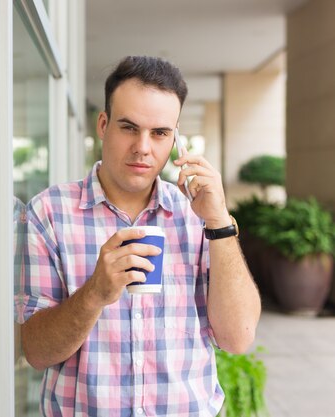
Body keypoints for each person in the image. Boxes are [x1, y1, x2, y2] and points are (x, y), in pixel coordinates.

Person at [18, 56, 261, 416]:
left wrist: (219, 221)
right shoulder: (48, 213)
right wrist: (95, 294)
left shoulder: (196, 215)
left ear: (175, 140)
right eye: (129, 127)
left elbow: (238, 336)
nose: (143, 148)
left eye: (159, 133)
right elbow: (36, 352)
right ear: (103, 125)